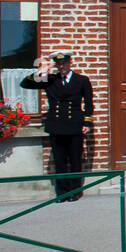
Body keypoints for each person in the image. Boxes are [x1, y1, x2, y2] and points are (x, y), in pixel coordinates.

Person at [20, 51, 94, 201]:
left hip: (75, 125)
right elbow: (25, 84)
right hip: (56, 125)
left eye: (64, 63)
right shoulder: (50, 80)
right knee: (59, 161)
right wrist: (41, 72)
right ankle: (62, 193)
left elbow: (88, 103)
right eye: (59, 64)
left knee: (75, 160)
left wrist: (87, 122)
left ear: (70, 63)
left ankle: (75, 192)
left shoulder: (82, 80)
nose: (62, 66)